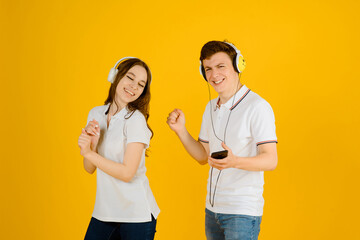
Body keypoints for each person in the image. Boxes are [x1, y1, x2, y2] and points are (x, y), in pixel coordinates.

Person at [167, 40, 278, 240]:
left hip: (241, 212)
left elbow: (271, 160)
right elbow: (203, 156)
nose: (214, 75)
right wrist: (181, 131)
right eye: (208, 69)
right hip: (212, 210)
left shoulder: (258, 107)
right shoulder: (210, 107)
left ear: (237, 66)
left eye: (221, 66)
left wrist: (236, 162)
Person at [78, 57, 160, 240]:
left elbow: (127, 173)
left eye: (140, 84)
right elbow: (89, 168)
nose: (133, 86)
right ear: (115, 75)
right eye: (130, 77)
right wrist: (91, 145)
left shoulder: (135, 120)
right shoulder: (96, 113)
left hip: (136, 215)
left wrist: (90, 152)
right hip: (104, 211)